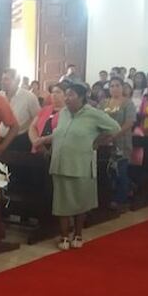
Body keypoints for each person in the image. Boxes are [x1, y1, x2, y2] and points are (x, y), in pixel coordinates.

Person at [49, 83, 120, 250]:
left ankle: (78, 234)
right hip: (60, 163)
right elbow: (58, 134)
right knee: (61, 203)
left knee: (80, 201)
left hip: (80, 164)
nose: (67, 98)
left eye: (71, 95)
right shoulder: (63, 113)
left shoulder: (93, 113)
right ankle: (64, 236)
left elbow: (115, 128)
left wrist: (97, 141)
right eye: (66, 95)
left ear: (81, 97)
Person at [100, 77, 137, 210]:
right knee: (108, 172)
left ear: (122, 87)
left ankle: (121, 199)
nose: (114, 88)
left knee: (121, 171)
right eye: (112, 86)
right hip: (105, 142)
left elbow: (129, 122)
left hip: (122, 141)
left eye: (117, 85)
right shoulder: (104, 103)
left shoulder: (128, 103)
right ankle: (109, 196)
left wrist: (114, 135)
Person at [0, 69, 40, 152]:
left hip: (20, 141)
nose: (2, 82)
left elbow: (38, 118)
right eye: (2, 79)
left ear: (17, 81)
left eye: (6, 79)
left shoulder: (29, 97)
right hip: (0, 140)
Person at [29, 84, 65, 154]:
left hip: (56, 151)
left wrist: (44, 140)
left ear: (66, 95)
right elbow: (33, 127)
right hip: (38, 149)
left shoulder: (68, 112)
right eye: (52, 92)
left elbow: (63, 133)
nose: (54, 95)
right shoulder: (45, 109)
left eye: (58, 92)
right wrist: (36, 141)